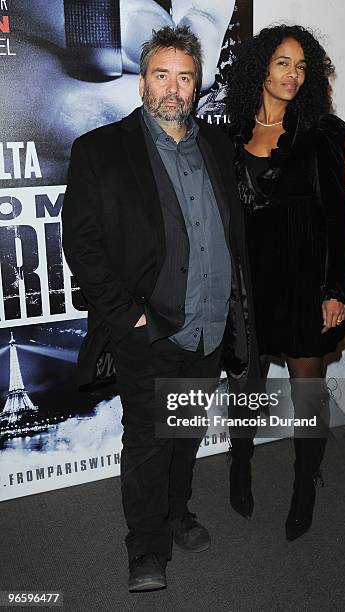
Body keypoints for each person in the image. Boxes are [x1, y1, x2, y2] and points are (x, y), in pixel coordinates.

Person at [62, 25, 257, 592]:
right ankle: (146, 548)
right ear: (142, 80)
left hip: (210, 325)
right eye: (161, 75)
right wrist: (130, 314)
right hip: (149, 329)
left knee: (185, 430)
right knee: (149, 440)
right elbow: (84, 245)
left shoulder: (219, 147)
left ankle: (178, 512)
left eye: (185, 77)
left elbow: (236, 232)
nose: (173, 89)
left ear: (198, 84)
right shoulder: (100, 150)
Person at [225, 24, 345, 539]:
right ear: (261, 67)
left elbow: (336, 219)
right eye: (283, 62)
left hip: (304, 284)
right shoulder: (232, 134)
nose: (293, 75)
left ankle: (305, 482)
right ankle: (240, 464)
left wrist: (336, 290)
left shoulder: (321, 132)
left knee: (307, 393)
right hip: (250, 286)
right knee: (245, 388)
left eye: (302, 66)